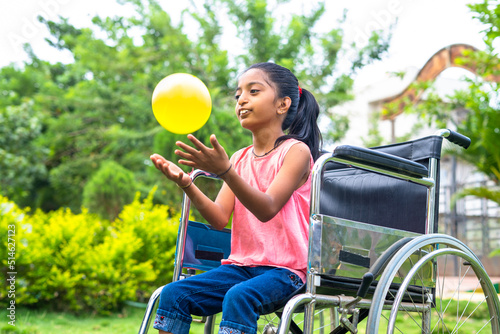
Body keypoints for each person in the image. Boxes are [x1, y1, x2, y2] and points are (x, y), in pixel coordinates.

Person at [150, 62, 322, 334]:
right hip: (241, 267)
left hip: (286, 272)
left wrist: (226, 172)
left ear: (282, 104)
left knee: (239, 296)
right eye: (238, 95)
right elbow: (219, 218)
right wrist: (187, 185)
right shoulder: (239, 158)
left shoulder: (296, 152)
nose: (242, 99)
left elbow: (267, 208)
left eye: (253, 91)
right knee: (173, 295)